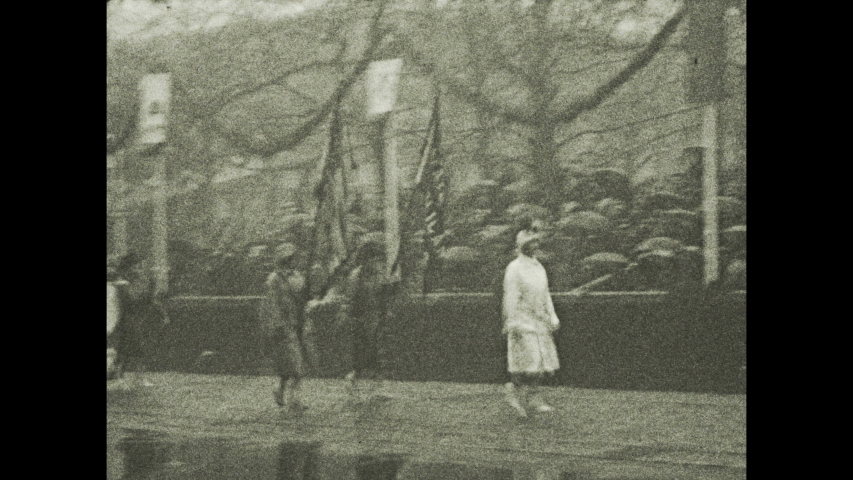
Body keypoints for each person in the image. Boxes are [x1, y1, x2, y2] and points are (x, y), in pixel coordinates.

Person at [502, 229, 560, 417]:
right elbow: (510, 297)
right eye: (530, 243)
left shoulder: (539, 267)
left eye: (536, 242)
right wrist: (512, 322)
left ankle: (534, 399)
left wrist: (552, 315)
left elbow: (545, 294)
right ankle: (513, 394)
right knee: (526, 363)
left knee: (541, 364)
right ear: (522, 245)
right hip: (522, 321)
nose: (534, 245)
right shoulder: (514, 268)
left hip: (540, 322)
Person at [338, 241, 397, 403]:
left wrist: (386, 311)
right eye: (373, 258)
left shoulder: (378, 274)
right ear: (365, 259)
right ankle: (351, 384)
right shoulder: (356, 276)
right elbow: (349, 300)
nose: (376, 261)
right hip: (360, 321)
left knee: (377, 355)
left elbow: (384, 295)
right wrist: (351, 319)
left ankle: (376, 389)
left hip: (375, 319)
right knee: (363, 356)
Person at [260, 244, 309, 410]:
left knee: (288, 366)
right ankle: (294, 400)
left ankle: (281, 390)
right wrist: (277, 325)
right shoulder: (274, 279)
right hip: (283, 326)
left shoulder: (295, 276)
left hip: (296, 324)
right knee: (296, 365)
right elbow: (271, 304)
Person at [111, 253, 170, 389]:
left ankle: (128, 378)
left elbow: (147, 300)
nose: (139, 267)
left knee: (126, 351)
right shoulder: (123, 283)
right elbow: (133, 299)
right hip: (126, 320)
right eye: (137, 265)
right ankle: (129, 378)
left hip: (132, 319)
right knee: (133, 350)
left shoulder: (136, 280)